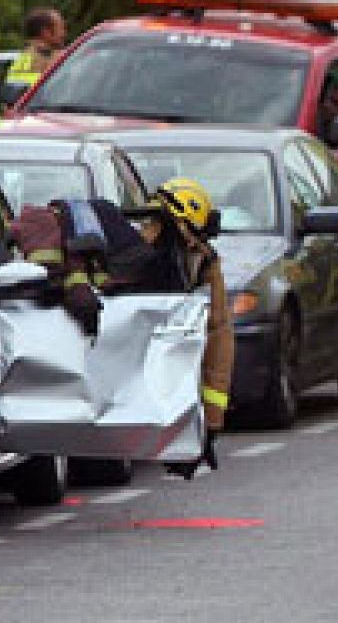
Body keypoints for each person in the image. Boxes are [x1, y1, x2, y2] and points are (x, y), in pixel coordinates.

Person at [135, 177, 232, 479]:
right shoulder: (122, 255)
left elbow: (217, 347)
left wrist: (208, 428)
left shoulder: (203, 267)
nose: (145, 230)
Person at [0, 8, 67, 107]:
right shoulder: (40, 60)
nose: (64, 33)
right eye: (60, 28)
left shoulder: (24, 59)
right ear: (46, 32)